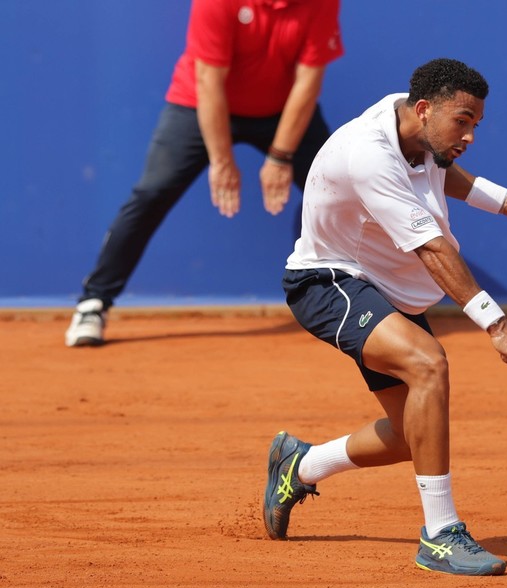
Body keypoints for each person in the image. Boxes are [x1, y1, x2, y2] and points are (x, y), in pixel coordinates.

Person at [263, 58, 507, 576]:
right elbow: (434, 249)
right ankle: (440, 535)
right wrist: (496, 323)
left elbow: (442, 165)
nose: (468, 135)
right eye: (461, 121)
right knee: (429, 365)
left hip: (385, 290)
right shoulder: (368, 155)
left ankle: (300, 465)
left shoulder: (412, 123)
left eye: (475, 125)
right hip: (328, 281)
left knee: (407, 436)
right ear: (424, 109)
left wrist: (506, 202)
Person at [65, 0, 343, 347]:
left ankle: (330, 297)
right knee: (153, 192)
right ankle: (94, 302)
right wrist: (221, 160)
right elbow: (208, 78)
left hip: (281, 108)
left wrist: (280, 157)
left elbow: (308, 80)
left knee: (334, 188)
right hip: (199, 103)